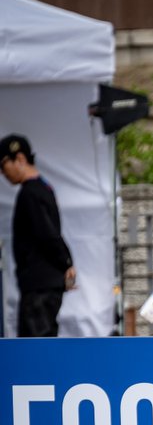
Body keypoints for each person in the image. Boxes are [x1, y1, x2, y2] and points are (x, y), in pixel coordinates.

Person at [1, 134, 75, 337]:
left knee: (35, 347)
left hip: (39, 287)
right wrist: (66, 262)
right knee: (42, 341)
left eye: (3, 164)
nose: (3, 173)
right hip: (44, 284)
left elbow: (47, 234)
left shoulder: (31, 193)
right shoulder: (43, 188)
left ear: (20, 159)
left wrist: (66, 262)